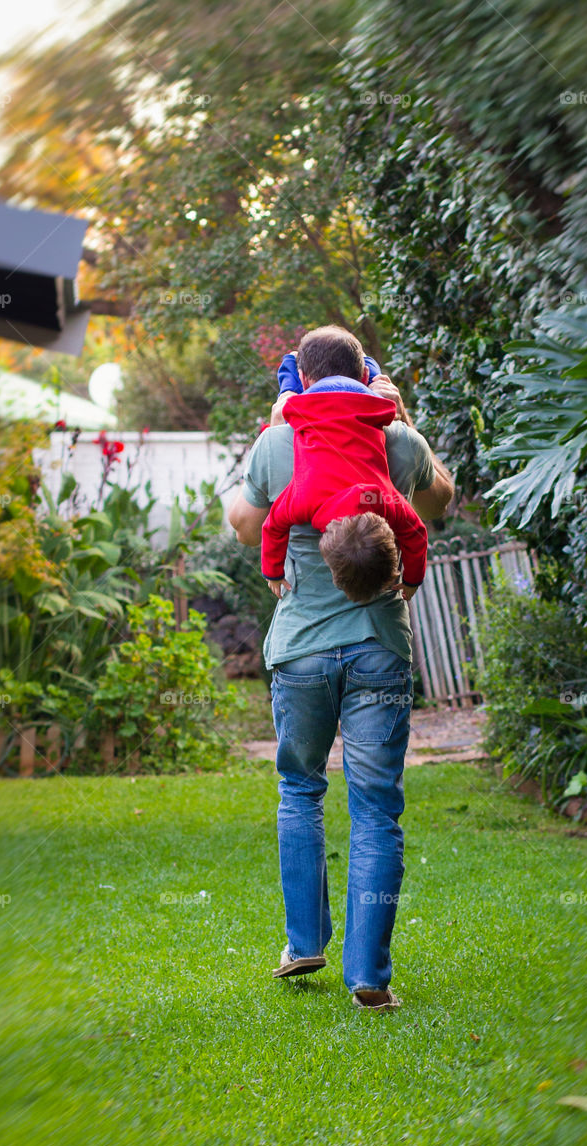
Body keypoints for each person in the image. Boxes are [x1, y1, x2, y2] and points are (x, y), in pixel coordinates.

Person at [228, 324, 453, 1010]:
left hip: (299, 651)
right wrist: (403, 416)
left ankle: (304, 944)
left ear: (297, 373)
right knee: (377, 807)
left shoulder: (279, 440)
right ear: (365, 375)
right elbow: (436, 503)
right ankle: (369, 977)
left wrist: (274, 425)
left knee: (300, 791)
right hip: (379, 649)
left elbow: (243, 523)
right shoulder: (393, 438)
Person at [260, 333, 428, 604]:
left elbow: (416, 534)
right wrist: (273, 573)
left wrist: (412, 579)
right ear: (325, 543)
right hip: (310, 405)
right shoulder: (304, 501)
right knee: (287, 395)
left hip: (364, 400)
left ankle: (365, 365)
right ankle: (291, 362)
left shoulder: (383, 500)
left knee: (374, 383)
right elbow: (273, 527)